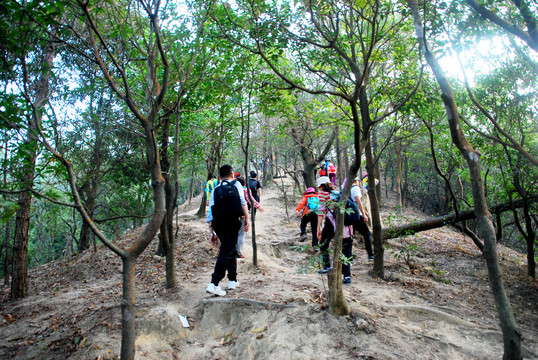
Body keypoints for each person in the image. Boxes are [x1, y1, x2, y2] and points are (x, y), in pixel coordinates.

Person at [206, 165, 250, 296]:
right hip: (232, 221)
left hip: (218, 223)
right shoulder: (236, 185)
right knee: (226, 250)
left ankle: (232, 280)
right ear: (232, 174)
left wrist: (211, 231)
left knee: (229, 248)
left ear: (219, 177)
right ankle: (214, 283)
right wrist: (247, 219)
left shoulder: (216, 189)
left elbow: (211, 212)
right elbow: (243, 202)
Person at [315, 176, 354, 283]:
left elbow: (321, 211)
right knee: (345, 247)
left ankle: (327, 266)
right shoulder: (336, 193)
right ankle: (347, 275)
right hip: (345, 222)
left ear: (320, 185)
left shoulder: (323, 194)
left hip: (331, 222)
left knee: (323, 243)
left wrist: (318, 228)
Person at [236, 176, 264, 258]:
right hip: (242, 213)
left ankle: (232, 250)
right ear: (244, 183)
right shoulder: (245, 190)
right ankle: (238, 252)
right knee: (241, 233)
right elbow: (250, 200)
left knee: (234, 232)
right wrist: (258, 206)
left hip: (232, 213)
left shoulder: (233, 189)